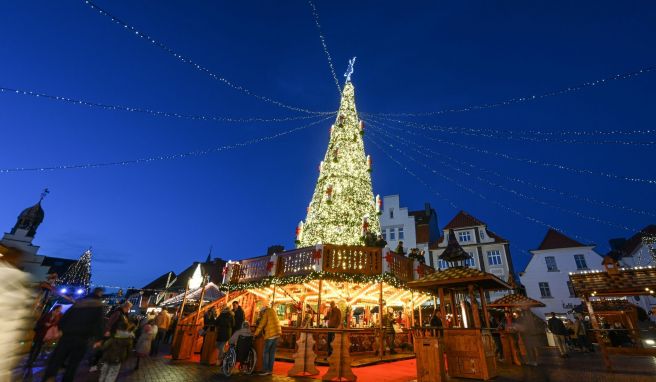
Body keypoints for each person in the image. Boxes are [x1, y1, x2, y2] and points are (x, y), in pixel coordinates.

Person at [43, 287, 105, 382]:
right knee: (73, 364)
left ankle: (49, 377)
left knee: (57, 359)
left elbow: (66, 316)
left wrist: (60, 328)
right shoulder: (98, 306)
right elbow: (99, 324)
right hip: (82, 338)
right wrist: (98, 338)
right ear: (100, 294)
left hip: (67, 335)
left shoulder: (79, 302)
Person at [254, 305, 281, 376]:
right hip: (277, 334)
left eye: (261, 313)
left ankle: (265, 370)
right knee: (272, 353)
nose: (261, 314)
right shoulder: (273, 311)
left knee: (265, 353)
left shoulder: (266, 313)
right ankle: (270, 370)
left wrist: (255, 334)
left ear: (263, 311)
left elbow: (261, 324)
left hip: (270, 335)